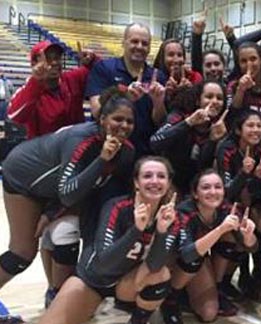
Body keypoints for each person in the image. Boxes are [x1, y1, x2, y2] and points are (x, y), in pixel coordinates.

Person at [0, 88, 135, 294]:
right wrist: (102, 160)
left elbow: (85, 190)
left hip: (53, 187)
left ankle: (55, 294)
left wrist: (52, 212)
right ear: (103, 119)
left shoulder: (126, 151)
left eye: (130, 121)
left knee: (65, 231)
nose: (124, 126)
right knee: (22, 253)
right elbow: (68, 193)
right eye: (118, 119)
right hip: (23, 177)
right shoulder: (81, 139)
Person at [37, 156, 179, 324]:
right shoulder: (117, 207)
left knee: (161, 274)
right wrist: (136, 230)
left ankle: (137, 319)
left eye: (161, 176)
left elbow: (155, 266)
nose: (154, 181)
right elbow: (103, 263)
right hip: (93, 280)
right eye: (147, 176)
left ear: (168, 183)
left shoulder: (170, 216)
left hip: (127, 283)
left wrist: (162, 231)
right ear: (136, 182)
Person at [159, 170, 257, 324]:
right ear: (195, 193)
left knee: (209, 313)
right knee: (195, 256)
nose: (213, 192)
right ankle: (170, 299)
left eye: (218, 187)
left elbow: (252, 248)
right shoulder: (184, 212)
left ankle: (216, 286)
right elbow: (186, 254)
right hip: (172, 263)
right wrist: (219, 230)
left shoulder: (227, 209)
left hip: (198, 261)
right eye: (206, 187)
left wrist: (249, 237)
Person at [86, 22, 167, 157]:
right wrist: (125, 97)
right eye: (134, 41)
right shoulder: (104, 69)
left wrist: (158, 102)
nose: (139, 47)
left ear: (149, 48)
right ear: (123, 43)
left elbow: (160, 121)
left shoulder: (157, 76)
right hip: (110, 150)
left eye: (144, 43)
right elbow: (96, 112)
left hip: (145, 151)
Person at [215, 110, 261, 302]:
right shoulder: (226, 149)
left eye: (259, 126)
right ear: (238, 130)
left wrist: (257, 178)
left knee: (258, 232)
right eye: (250, 125)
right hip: (224, 202)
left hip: (250, 203)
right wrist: (245, 174)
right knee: (236, 236)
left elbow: (258, 192)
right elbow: (226, 192)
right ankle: (221, 283)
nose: (256, 130)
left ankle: (250, 276)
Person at [7, 40, 97, 139]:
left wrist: (92, 60)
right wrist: (36, 82)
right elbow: (14, 116)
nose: (54, 63)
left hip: (75, 149)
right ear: (34, 64)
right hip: (44, 151)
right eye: (48, 59)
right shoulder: (29, 90)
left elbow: (106, 74)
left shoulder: (72, 79)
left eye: (57, 58)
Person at [150, 81, 228, 194]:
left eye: (219, 98)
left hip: (196, 189)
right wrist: (188, 123)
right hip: (167, 181)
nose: (214, 102)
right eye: (209, 97)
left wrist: (212, 141)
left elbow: (202, 167)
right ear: (198, 100)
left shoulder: (219, 127)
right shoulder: (179, 116)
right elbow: (155, 142)